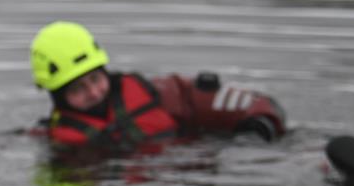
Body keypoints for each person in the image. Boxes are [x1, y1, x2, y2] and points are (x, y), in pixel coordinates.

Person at [29, 20, 287, 152]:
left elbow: (249, 104)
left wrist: (254, 133)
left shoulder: (154, 92)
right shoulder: (56, 142)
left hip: (199, 169)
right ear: (57, 97)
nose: (94, 93)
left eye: (96, 79)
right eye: (78, 89)